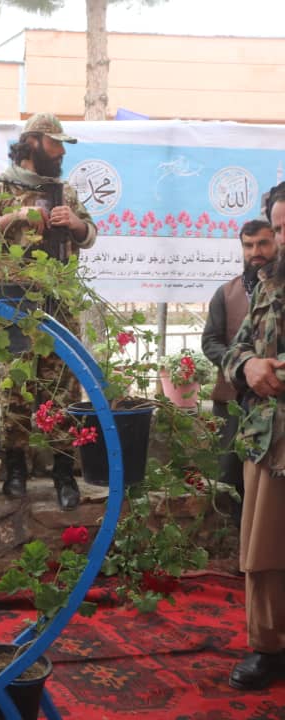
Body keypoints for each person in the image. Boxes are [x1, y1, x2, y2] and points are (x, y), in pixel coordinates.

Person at [0, 112, 96, 511]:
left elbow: (90, 237)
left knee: (61, 391)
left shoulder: (64, 191)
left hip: (59, 304)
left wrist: (74, 223)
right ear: (34, 142)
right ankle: (16, 471)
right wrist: (14, 217)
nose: (60, 152)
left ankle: (62, 474)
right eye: (55, 143)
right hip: (13, 304)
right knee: (16, 390)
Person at [222, 185, 285, 691]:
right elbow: (235, 347)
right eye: (279, 228)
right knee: (262, 551)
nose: (281, 240)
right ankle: (270, 648)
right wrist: (248, 364)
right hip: (269, 437)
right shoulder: (268, 283)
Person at [202, 218, 275, 525]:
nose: (254, 252)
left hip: (273, 400)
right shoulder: (227, 293)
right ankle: (242, 551)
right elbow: (210, 341)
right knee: (234, 476)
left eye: (262, 244)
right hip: (233, 401)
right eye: (248, 245)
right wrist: (243, 365)